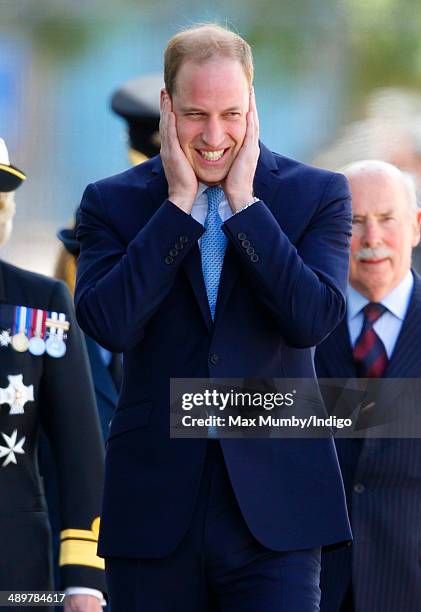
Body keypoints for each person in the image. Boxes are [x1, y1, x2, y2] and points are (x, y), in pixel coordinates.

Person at [75, 23, 353, 611]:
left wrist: (245, 207)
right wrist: (177, 209)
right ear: (166, 108)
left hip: (277, 511)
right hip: (153, 507)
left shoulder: (318, 194)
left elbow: (311, 319)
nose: (214, 135)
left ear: (253, 106)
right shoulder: (112, 202)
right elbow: (110, 324)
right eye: (197, 114)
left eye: (231, 113)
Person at [0, 138, 106, 611]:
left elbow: (80, 452)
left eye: (3, 201)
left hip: (15, 573)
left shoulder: (39, 305)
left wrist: (83, 579)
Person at [315, 160, 421, 611]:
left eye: (386, 219)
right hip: (313, 589)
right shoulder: (296, 331)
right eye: (354, 222)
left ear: (416, 226)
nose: (371, 239)